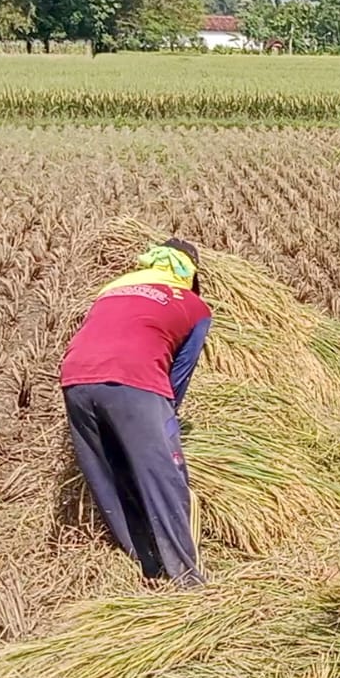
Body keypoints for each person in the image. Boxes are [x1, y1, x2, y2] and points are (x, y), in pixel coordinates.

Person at [60, 238, 212, 586]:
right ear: (189, 274)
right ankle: (186, 581)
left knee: (110, 476)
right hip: (134, 381)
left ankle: (146, 569)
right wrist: (165, 421)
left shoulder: (111, 290)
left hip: (75, 379)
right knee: (164, 479)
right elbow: (180, 373)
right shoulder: (194, 305)